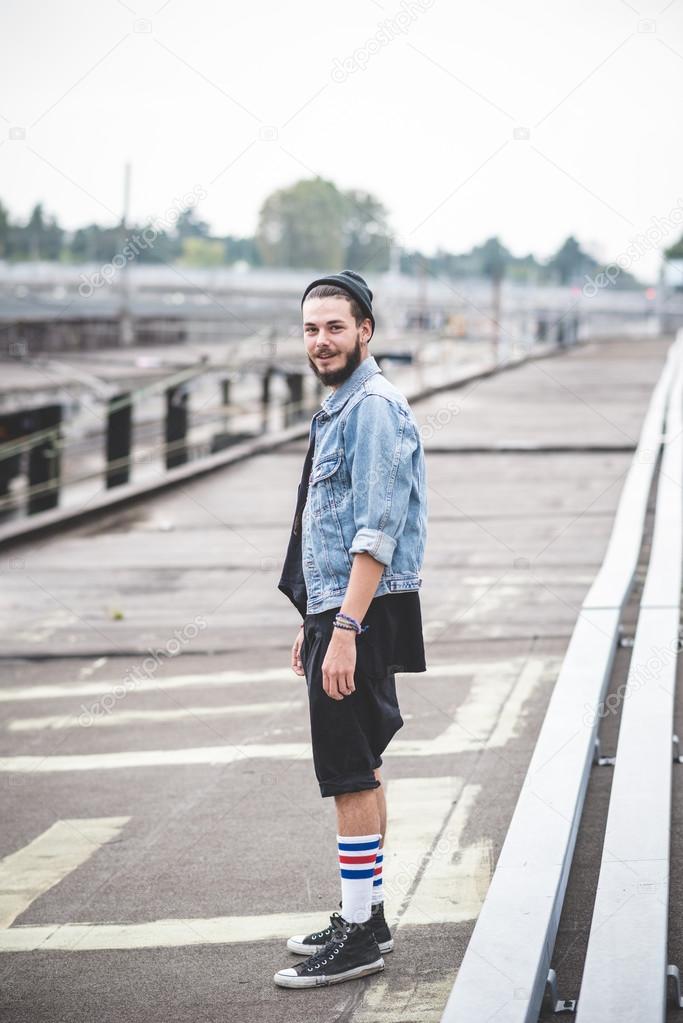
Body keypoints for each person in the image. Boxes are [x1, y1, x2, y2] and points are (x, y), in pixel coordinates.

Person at [275, 269, 428, 989]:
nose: (321, 340)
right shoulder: (342, 404)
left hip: (358, 611)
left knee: (347, 771)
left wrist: (343, 625)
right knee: (358, 762)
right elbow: (328, 530)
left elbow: (376, 531)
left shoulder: (371, 407)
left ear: (365, 329)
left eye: (335, 326)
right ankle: (361, 912)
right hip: (342, 607)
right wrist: (318, 614)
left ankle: (362, 932)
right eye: (310, 328)